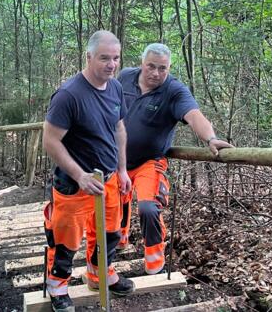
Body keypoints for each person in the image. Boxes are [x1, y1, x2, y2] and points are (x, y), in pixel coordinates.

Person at [118, 43, 233, 275]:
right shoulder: (124, 78)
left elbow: (193, 115)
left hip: (149, 161)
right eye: (151, 66)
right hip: (116, 159)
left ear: (169, 68)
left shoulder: (174, 90)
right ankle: (118, 242)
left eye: (163, 68)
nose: (156, 73)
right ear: (142, 63)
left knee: (149, 208)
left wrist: (211, 138)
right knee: (113, 205)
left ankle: (154, 263)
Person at [42, 30, 135, 312]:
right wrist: (80, 175)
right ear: (89, 57)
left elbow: (118, 129)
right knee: (66, 239)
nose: (111, 64)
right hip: (75, 183)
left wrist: (122, 170)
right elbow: (51, 141)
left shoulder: (116, 88)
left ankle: (100, 274)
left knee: (109, 234)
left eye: (116, 58)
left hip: (107, 180)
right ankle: (58, 286)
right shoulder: (69, 95)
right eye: (105, 58)